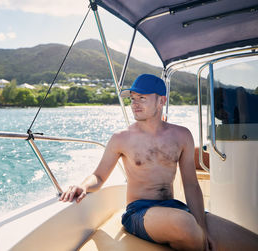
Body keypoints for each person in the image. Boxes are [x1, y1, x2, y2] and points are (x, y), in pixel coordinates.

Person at [60, 74, 258, 251]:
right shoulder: (121, 138)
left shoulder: (181, 135)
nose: (135, 104)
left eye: (142, 98)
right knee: (185, 225)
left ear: (161, 100)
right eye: (133, 98)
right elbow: (99, 176)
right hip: (140, 212)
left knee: (249, 242)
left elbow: (190, 184)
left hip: (175, 207)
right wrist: (83, 185)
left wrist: (202, 227)